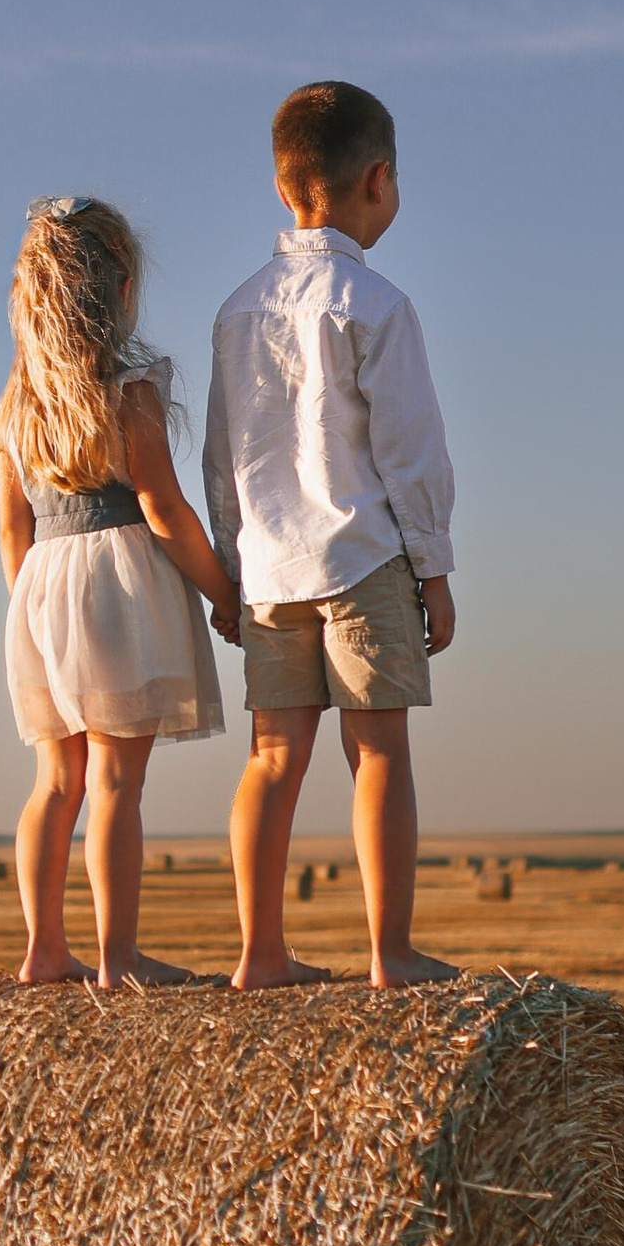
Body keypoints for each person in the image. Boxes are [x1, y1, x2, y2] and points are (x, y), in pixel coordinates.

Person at [203, 81, 458, 991]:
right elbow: (409, 446)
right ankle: (390, 954)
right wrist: (432, 567)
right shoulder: (378, 303)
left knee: (273, 756)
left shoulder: (238, 311)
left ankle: (258, 955)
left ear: (283, 186)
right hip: (362, 557)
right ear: (380, 180)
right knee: (377, 748)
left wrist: (232, 566)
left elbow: (221, 456)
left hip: (269, 570)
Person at [0, 195, 229, 987]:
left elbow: (11, 534)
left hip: (41, 591)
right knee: (116, 784)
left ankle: (41, 949)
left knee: (55, 782)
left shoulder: (14, 410)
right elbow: (162, 506)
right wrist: (221, 592)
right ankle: (117, 957)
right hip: (119, 585)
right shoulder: (130, 387)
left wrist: (29, 613)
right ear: (121, 290)